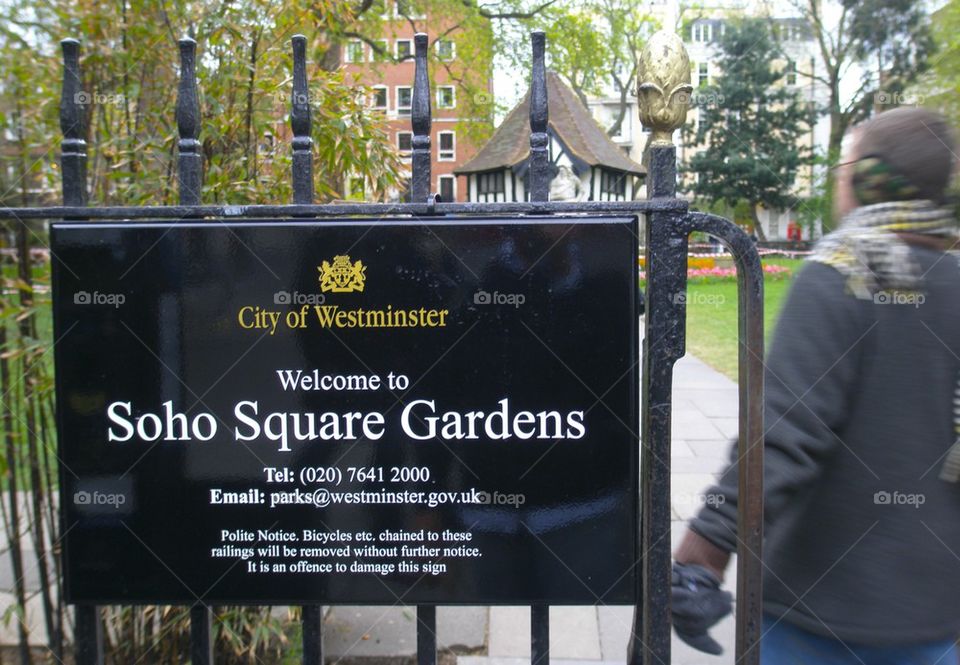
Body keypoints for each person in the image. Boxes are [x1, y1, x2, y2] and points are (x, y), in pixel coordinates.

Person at [671, 106, 960, 664]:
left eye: (844, 164)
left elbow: (783, 437)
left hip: (819, 612)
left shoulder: (842, 276)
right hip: (933, 612)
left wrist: (702, 554)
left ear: (868, 178)